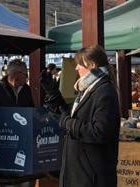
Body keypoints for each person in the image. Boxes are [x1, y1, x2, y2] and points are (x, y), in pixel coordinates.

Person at [41, 44, 120, 187]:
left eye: (79, 64)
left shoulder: (104, 91)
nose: (76, 68)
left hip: (92, 176)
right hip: (78, 171)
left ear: (92, 65)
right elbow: (70, 115)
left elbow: (99, 132)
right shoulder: (87, 88)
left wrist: (68, 123)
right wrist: (53, 93)